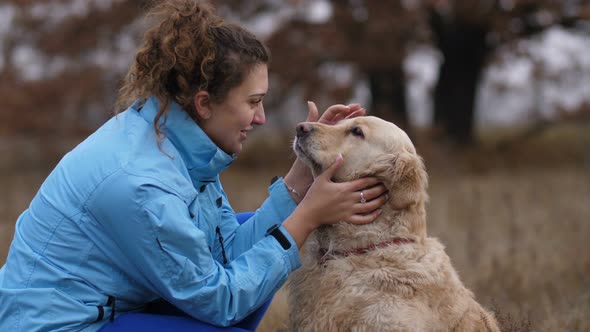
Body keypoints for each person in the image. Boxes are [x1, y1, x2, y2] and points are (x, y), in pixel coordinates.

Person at [0, 1, 388, 331]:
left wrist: (301, 177)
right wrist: (305, 218)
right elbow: (222, 300)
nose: (262, 118)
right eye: (253, 102)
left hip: (111, 305)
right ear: (204, 103)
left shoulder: (176, 139)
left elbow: (226, 255)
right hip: (59, 324)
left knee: (253, 239)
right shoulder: (142, 185)